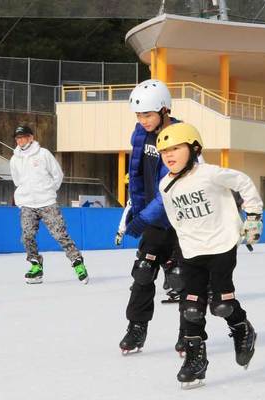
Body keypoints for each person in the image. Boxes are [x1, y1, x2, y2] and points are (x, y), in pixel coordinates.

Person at [156, 123, 262, 388]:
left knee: (221, 305)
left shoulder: (210, 173)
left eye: (175, 148)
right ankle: (195, 360)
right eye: (164, 151)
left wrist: (254, 216)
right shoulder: (165, 184)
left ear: (194, 148)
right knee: (191, 308)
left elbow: (243, 181)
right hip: (192, 251)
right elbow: (176, 219)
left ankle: (242, 328)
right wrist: (176, 250)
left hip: (221, 246)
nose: (169, 155)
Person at [118, 79, 184, 355]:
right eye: (139, 115)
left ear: (164, 110)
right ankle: (136, 328)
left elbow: (168, 189)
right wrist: (135, 208)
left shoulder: (179, 136)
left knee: (183, 279)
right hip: (153, 218)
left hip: (181, 221)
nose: (143, 120)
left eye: (147, 114)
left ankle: (190, 333)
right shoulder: (140, 135)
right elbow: (136, 174)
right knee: (143, 272)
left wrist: (142, 219)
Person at [10, 125, 88, 284]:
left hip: (47, 202)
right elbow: (17, 181)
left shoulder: (43, 154)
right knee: (27, 236)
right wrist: (23, 197)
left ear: (31, 137)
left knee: (60, 234)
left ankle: (77, 263)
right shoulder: (14, 159)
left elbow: (57, 174)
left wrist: (49, 190)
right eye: (17, 138)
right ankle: (36, 266)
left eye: (23, 137)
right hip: (27, 204)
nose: (20, 140)